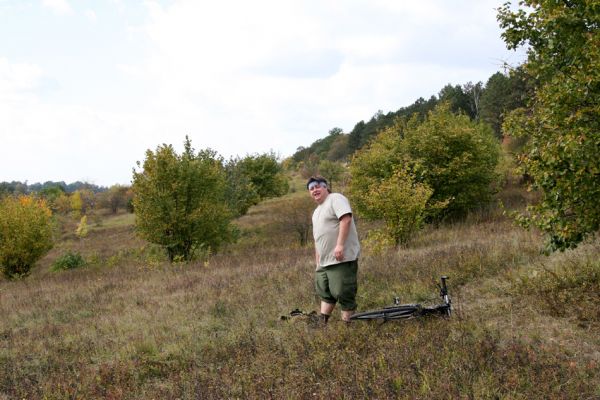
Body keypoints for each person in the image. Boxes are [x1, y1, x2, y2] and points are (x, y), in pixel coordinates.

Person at [307, 176, 360, 323]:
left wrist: (340, 245)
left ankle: (347, 327)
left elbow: (346, 218)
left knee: (343, 292)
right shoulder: (316, 212)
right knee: (325, 292)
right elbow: (318, 238)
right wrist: (317, 261)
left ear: (325, 187)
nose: (314, 190)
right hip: (324, 262)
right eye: (311, 189)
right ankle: (322, 322)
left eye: (317, 186)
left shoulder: (335, 198)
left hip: (341, 258)